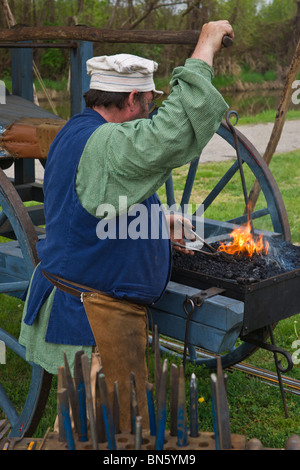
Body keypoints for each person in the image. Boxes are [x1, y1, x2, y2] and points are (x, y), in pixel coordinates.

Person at [19, 20, 234, 432]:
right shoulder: (107, 144)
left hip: (92, 305)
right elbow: (168, 133)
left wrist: (155, 221)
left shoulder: (82, 128)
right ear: (133, 98)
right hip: (95, 321)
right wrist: (204, 49)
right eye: (149, 102)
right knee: (104, 437)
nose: (150, 109)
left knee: (94, 430)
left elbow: (89, 207)